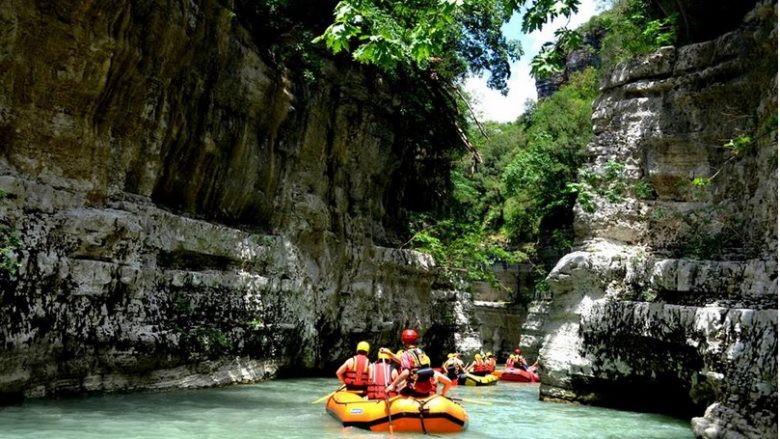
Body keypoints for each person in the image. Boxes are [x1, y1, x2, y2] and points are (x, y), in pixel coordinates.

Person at [382, 329, 452, 397]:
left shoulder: (406, 354)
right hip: (427, 390)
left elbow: (406, 372)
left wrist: (392, 385)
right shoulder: (421, 353)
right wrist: (389, 353)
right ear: (415, 340)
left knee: (399, 390)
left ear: (403, 342)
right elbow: (403, 361)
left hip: (414, 390)